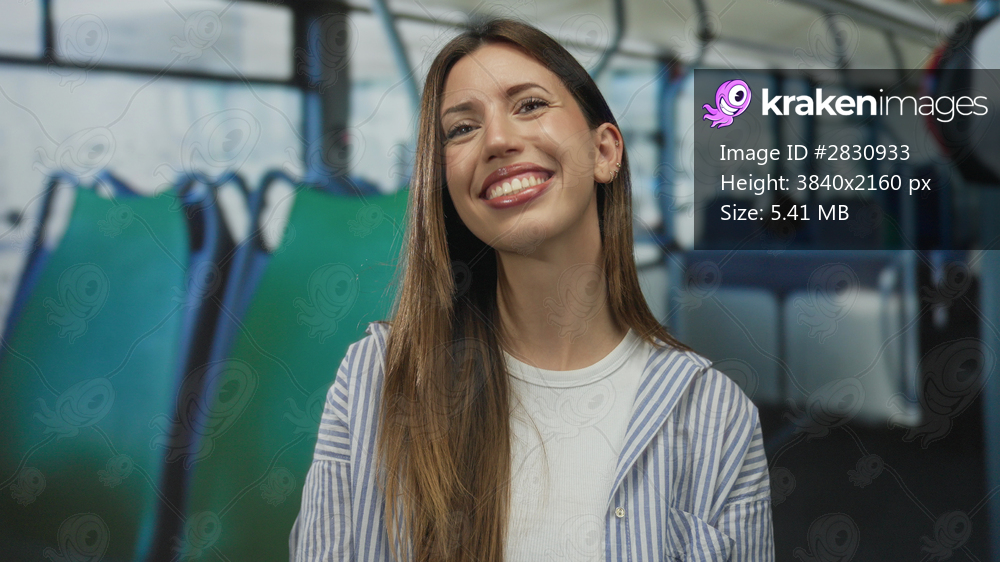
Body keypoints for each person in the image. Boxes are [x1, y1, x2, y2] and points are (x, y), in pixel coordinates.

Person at [290, 17, 774, 562]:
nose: (497, 140)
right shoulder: (379, 381)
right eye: (461, 129)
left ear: (605, 151)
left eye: (530, 105)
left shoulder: (714, 414)